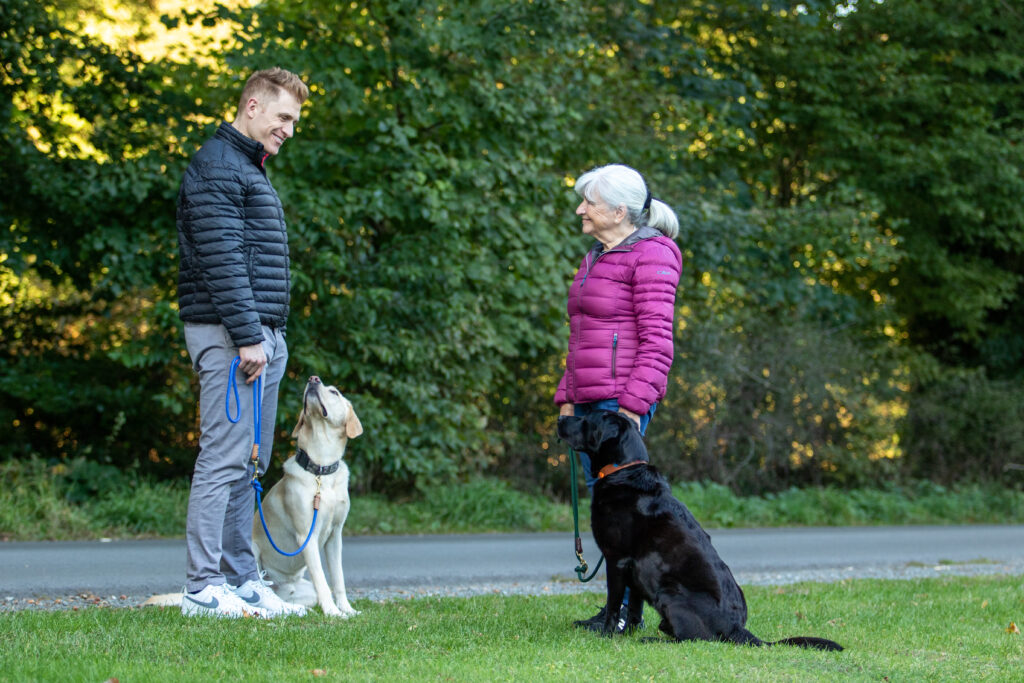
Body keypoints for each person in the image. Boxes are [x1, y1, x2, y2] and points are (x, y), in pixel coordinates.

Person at [175, 67, 310, 618]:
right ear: (251, 106)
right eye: (283, 117)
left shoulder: (245, 168)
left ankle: (241, 580)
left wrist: (266, 337)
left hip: (259, 337)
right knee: (223, 459)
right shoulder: (217, 166)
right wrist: (249, 336)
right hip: (235, 336)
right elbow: (221, 258)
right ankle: (202, 588)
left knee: (247, 465)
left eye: (295, 121)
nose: (289, 130)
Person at [554, 163, 682, 632]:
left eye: (589, 201)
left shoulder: (652, 255)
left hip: (619, 405)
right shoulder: (597, 255)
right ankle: (618, 611)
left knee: (624, 511)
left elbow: (657, 340)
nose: (580, 209)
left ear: (620, 210)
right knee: (607, 507)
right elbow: (581, 337)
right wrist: (567, 394)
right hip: (589, 400)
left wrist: (632, 407)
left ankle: (626, 614)